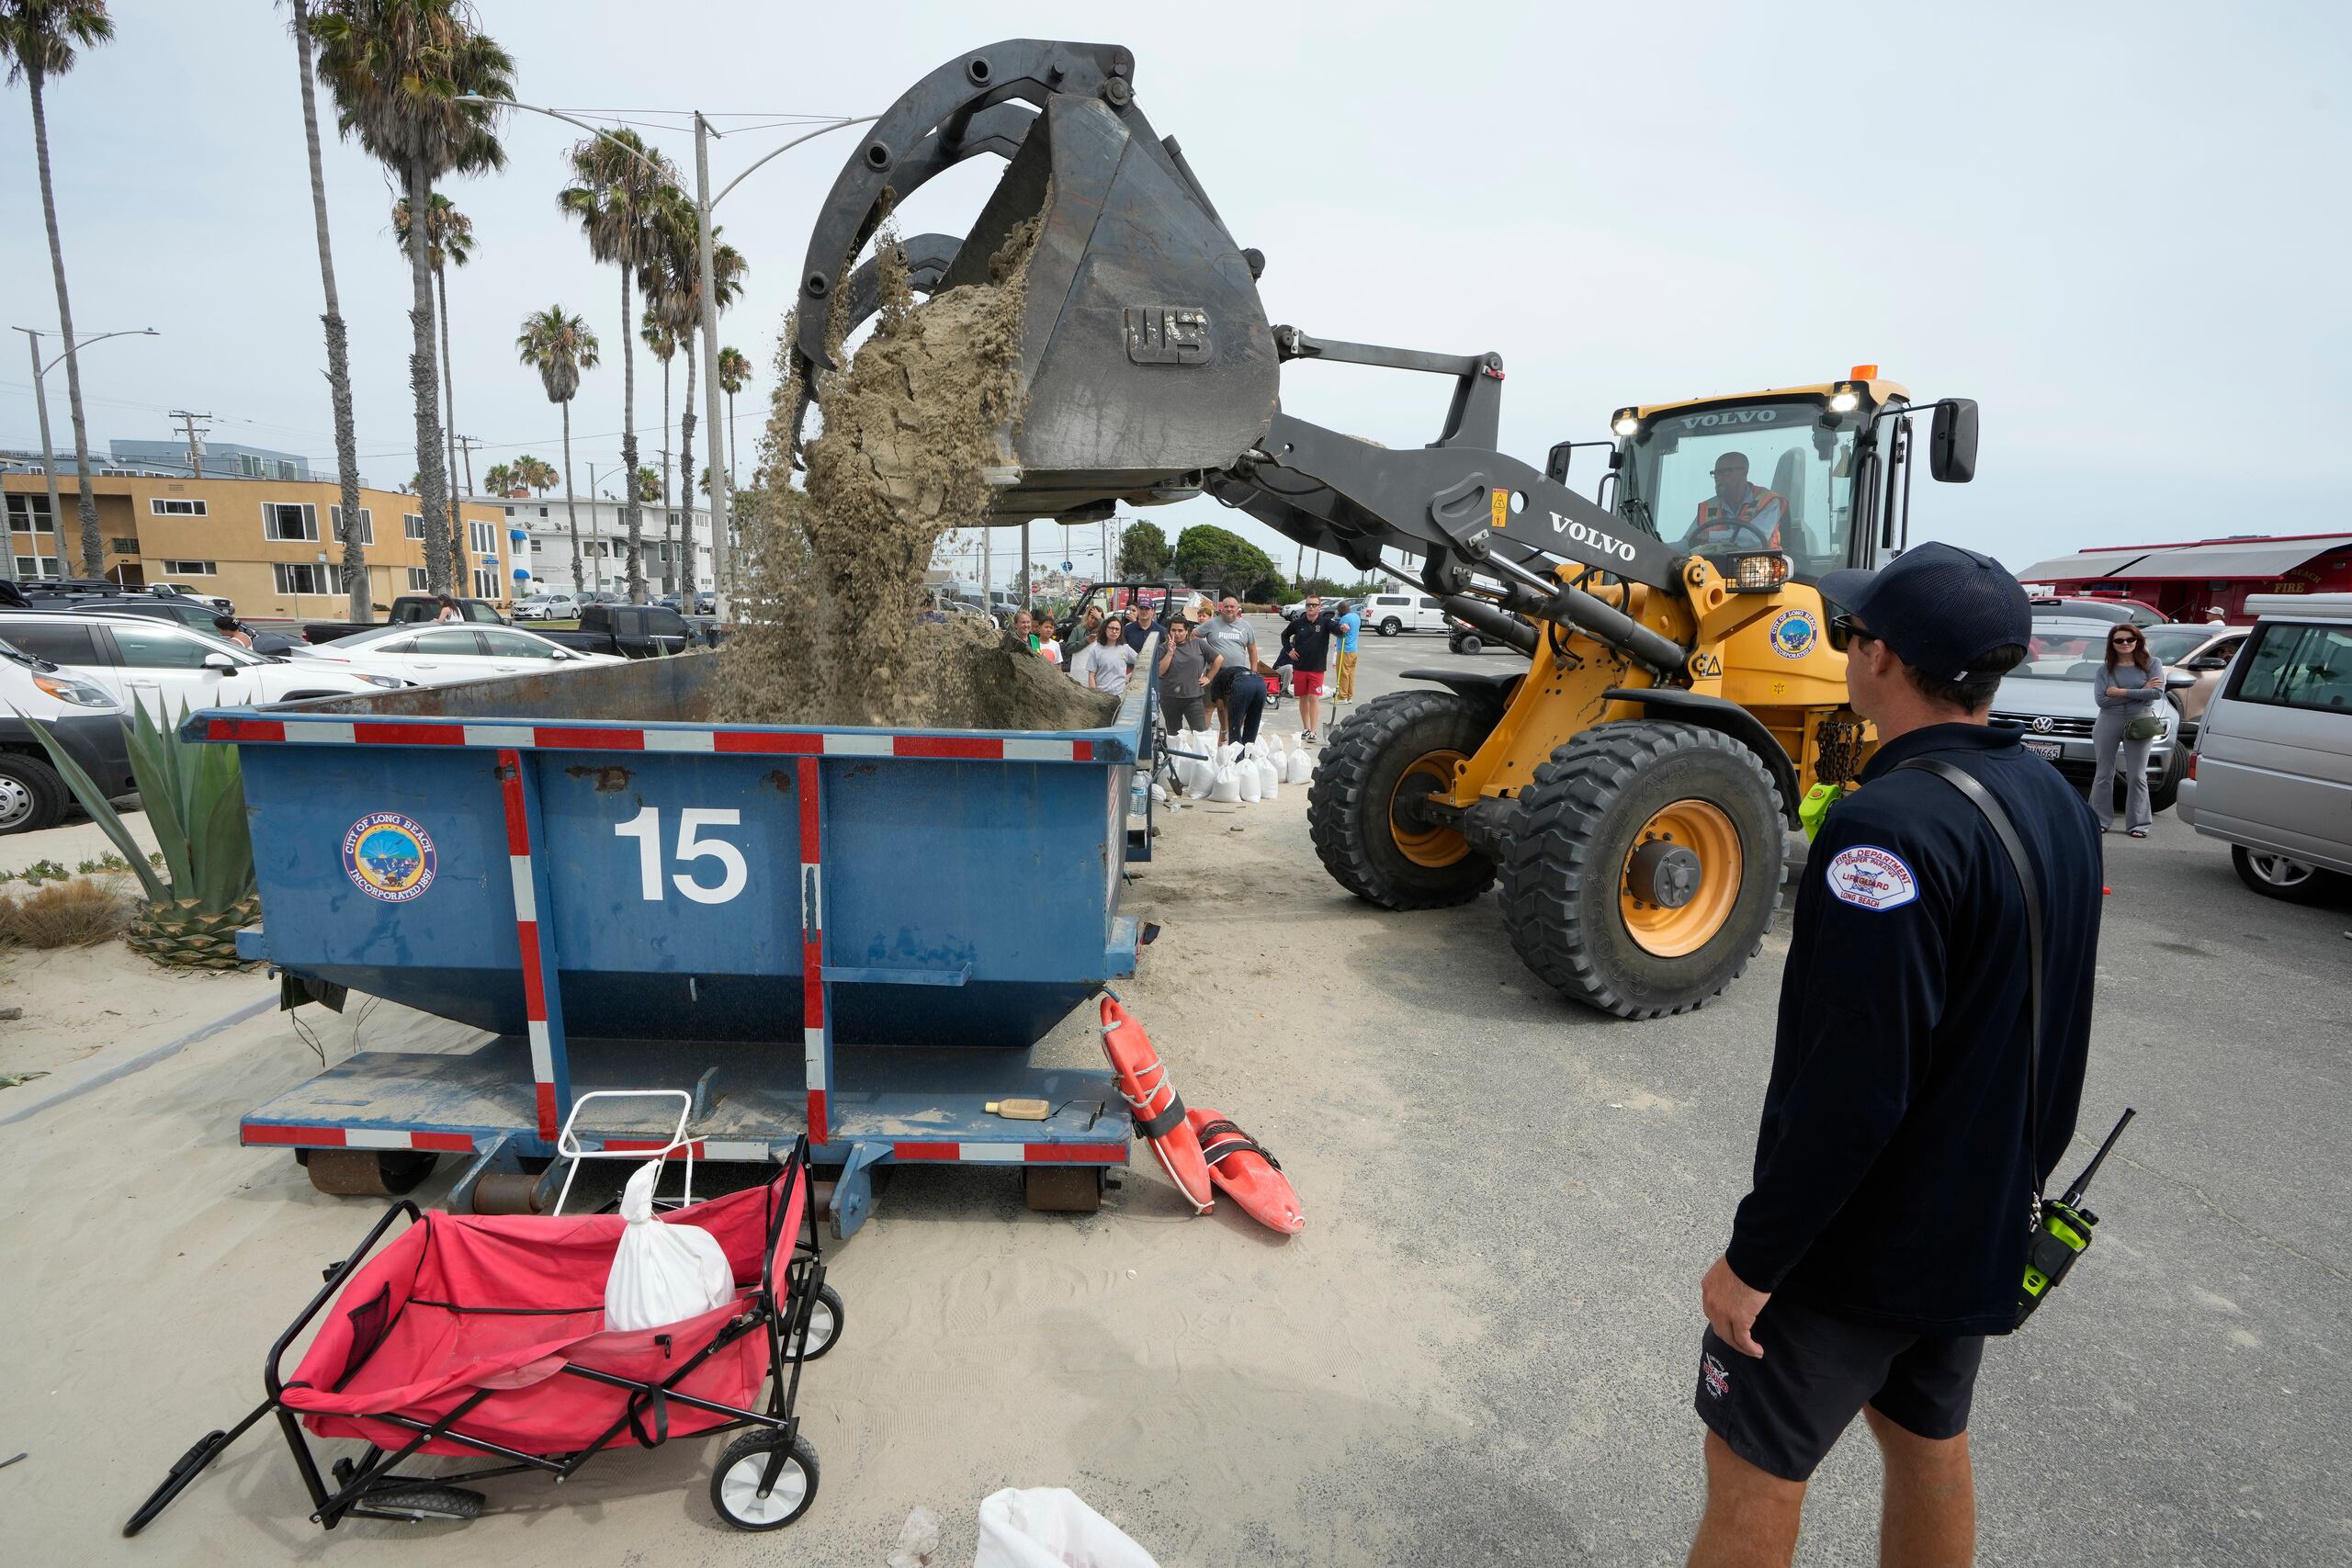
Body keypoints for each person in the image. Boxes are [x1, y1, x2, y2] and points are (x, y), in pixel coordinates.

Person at [1686, 541, 2102, 1568]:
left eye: (1850, 631)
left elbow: (1854, 1083)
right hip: (1985, 1218)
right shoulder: (2054, 800)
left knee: (1755, 1467)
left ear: (1878, 656)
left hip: (1859, 1243)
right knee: (1928, 1444)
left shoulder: (1886, 827)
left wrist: (1755, 1260)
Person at [2089, 625, 2167, 839]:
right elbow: (2102, 700)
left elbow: (2156, 693)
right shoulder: (2105, 669)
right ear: (2112, 644)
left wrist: (2120, 692)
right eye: (2119, 640)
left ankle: (2139, 824)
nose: (2125, 644)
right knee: (2104, 773)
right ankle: (2100, 820)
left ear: (2137, 640)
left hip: (2140, 721)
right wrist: (2141, 691)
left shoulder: (2153, 664)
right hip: (2108, 722)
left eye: (2130, 639)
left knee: (2137, 776)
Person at [1682, 451, 1784, 552]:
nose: (1719, 477)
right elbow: (1688, 542)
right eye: (1716, 473)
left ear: (1744, 472)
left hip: (1762, 565)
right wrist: (1666, 549)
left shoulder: (1768, 501)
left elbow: (1754, 538)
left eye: (1726, 471)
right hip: (1714, 567)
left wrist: (1710, 536)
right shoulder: (1708, 507)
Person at [1281, 594, 1343, 742]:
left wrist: (1343, 628)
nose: (1311, 607)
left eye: (1314, 605)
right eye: (1309, 604)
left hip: (1317, 668)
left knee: (1314, 698)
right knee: (1302, 698)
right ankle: (1306, 728)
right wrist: (1289, 650)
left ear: (1319, 607)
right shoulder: (1297, 623)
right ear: (1306, 606)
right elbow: (1284, 636)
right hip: (1300, 667)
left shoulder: (1325, 622)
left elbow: (1338, 630)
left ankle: (1314, 731)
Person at [1197, 596, 1260, 741]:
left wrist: (1254, 671)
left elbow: (1252, 650)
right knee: (1209, 707)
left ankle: (1224, 740)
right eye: (1226, 606)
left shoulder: (1246, 626)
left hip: (1237, 675)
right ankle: (1203, 742)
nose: (1229, 609)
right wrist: (1205, 654)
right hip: (1214, 673)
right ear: (1221, 609)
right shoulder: (1211, 624)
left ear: (1238, 609)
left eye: (1232, 606)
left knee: (1230, 710)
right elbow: (1194, 636)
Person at [1157, 615, 1216, 733]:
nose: (1177, 634)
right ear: (1169, 631)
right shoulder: (1163, 648)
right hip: (1170, 698)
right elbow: (1160, 671)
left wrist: (1209, 677)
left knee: (1200, 732)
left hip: (1193, 697)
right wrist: (1170, 652)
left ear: (1187, 631)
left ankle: (1198, 752)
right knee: (1174, 734)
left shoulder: (1198, 643)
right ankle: (1175, 751)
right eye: (1173, 630)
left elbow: (1218, 659)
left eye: (1180, 630)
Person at [1071, 615, 1135, 696]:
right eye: (1111, 628)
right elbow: (1091, 675)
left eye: (1117, 629)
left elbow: (1141, 663)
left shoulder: (1125, 648)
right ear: (1105, 629)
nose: (1114, 631)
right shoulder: (1096, 649)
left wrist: (1130, 675)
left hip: (1120, 695)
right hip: (1103, 696)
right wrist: (1095, 695)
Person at [1208, 665, 1265, 747]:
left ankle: (1236, 757)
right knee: (1252, 725)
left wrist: (1224, 730)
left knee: (1234, 728)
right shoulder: (1232, 671)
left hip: (1242, 683)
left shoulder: (1217, 679)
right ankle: (1247, 756)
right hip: (1260, 683)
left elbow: (1220, 708)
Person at [1333, 599, 1362, 703]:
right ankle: (1349, 696)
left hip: (1345, 649)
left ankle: (1342, 696)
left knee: (1342, 673)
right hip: (1354, 649)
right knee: (1351, 674)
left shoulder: (1344, 618)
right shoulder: (1356, 616)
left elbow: (1340, 633)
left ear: (1341, 610)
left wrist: (1333, 631)